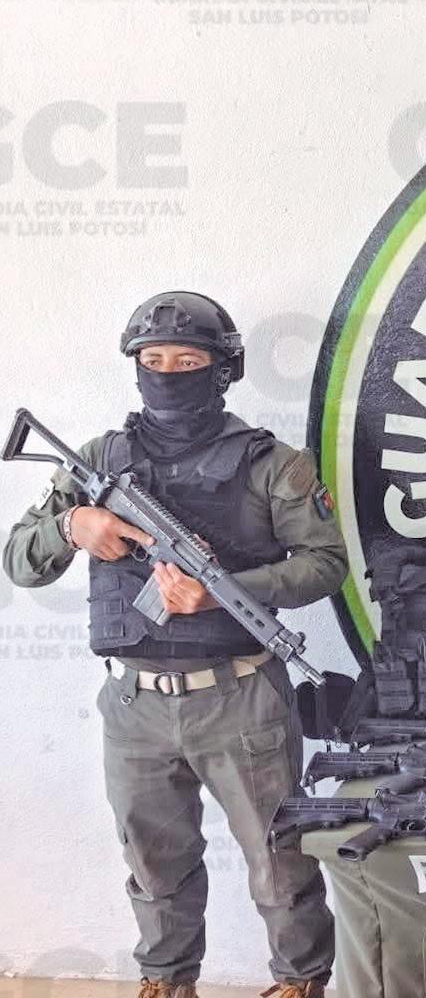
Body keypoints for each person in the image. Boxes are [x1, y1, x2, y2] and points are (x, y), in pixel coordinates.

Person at [3, 291, 349, 998]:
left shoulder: (273, 463)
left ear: (222, 370)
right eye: (152, 360)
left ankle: (299, 982)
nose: (166, 373)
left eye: (187, 361)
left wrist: (227, 590)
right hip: (134, 702)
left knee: (279, 861)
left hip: (241, 694)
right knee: (153, 860)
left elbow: (325, 564)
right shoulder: (99, 458)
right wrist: (73, 528)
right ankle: (165, 980)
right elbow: (20, 561)